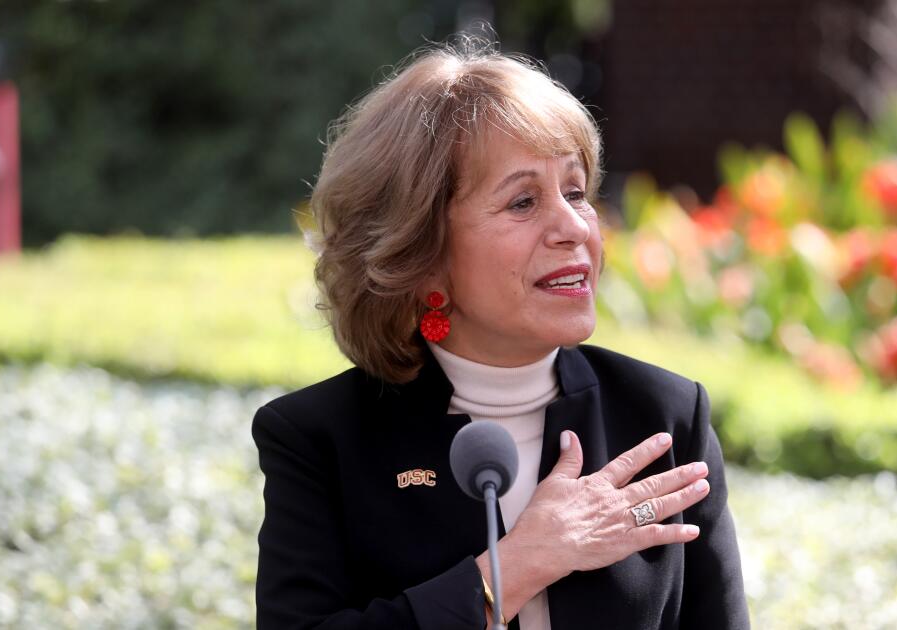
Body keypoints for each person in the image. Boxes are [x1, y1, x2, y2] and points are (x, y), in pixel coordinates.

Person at [252, 39, 750, 630]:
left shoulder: (664, 416)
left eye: (575, 191)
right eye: (522, 201)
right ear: (421, 252)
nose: (573, 227)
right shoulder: (319, 440)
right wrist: (515, 566)